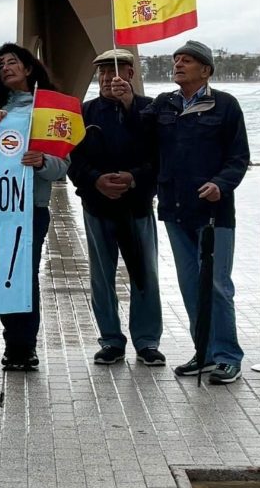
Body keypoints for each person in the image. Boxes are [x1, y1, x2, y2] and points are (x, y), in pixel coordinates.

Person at [140, 40, 249, 384]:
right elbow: (137, 133)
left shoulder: (225, 105)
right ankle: (204, 353)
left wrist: (220, 183)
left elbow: (238, 157)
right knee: (190, 286)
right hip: (174, 209)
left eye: (187, 60)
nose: (178, 64)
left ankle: (228, 357)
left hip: (214, 212)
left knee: (216, 285)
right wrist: (124, 97)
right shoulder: (164, 103)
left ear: (206, 70)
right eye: (176, 60)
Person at [0, 43, 70, 371]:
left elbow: (61, 167)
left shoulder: (50, 108)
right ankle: (12, 340)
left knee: (25, 276)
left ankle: (23, 346)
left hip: (32, 209)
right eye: (0, 67)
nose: (6, 69)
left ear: (28, 67)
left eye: (12, 62)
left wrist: (41, 161)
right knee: (4, 275)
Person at [67, 49, 164, 367]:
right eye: (103, 72)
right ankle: (110, 339)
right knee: (101, 275)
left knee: (145, 273)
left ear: (131, 74)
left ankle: (147, 341)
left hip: (137, 206)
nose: (109, 78)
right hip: (97, 206)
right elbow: (73, 159)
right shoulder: (84, 112)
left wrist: (134, 178)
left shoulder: (149, 109)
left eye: (116, 71)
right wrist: (95, 180)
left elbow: (158, 155)